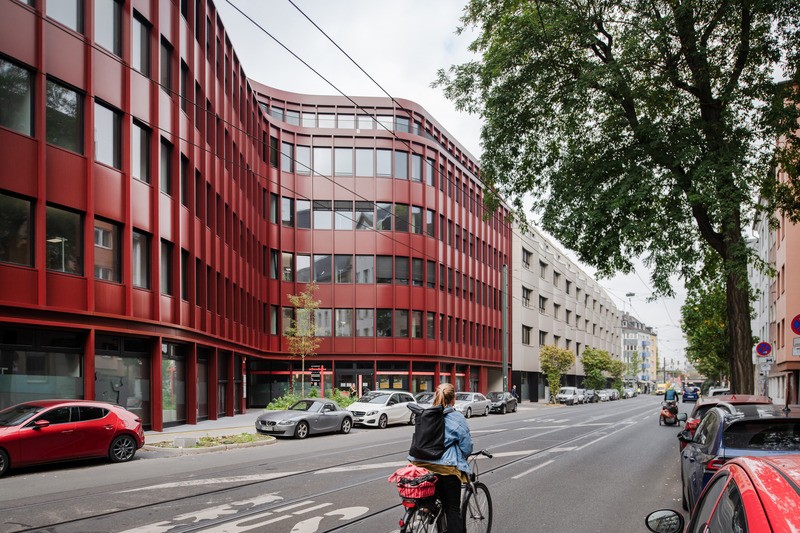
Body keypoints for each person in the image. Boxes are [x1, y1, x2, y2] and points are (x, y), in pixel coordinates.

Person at [408, 382, 473, 533]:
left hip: (421, 467)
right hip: (447, 469)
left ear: (435, 396)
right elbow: (466, 447)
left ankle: (426, 509)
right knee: (452, 509)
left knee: (430, 498)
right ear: (453, 399)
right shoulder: (456, 418)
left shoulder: (426, 415)